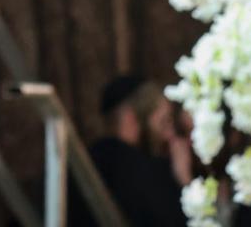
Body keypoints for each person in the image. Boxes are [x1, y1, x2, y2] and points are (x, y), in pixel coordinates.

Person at [79, 75, 191, 227]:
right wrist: (184, 180)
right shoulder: (143, 170)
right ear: (130, 118)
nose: (170, 134)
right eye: (163, 123)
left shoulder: (88, 160)